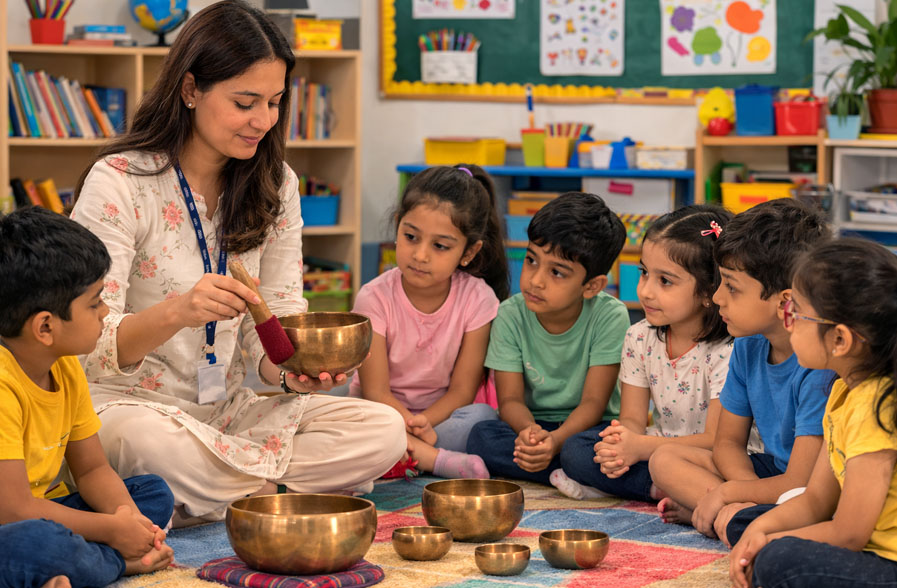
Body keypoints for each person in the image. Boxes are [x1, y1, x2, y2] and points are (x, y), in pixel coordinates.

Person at [69, 0, 405, 525]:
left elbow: (276, 326)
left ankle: (219, 497)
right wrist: (177, 312)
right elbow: (85, 339)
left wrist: (295, 372)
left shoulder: (278, 184)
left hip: (228, 412)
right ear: (189, 90)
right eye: (245, 102)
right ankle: (278, 492)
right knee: (141, 442)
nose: (263, 121)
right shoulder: (118, 180)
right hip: (127, 405)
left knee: (383, 430)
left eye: (274, 102)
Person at [0, 207, 174, 588]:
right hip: (11, 522)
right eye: (95, 303)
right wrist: (113, 533)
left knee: (153, 494)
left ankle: (82, 565)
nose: (105, 311)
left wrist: (125, 520)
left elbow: (93, 469)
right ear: (46, 326)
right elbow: (13, 510)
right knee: (38, 543)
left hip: (37, 511)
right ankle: (121, 564)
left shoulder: (63, 366)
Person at [648, 199, 832, 544]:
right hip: (769, 476)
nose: (717, 298)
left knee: (784, 519)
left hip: (809, 490)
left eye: (731, 287)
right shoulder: (748, 345)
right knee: (664, 458)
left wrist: (728, 495)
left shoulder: (818, 365)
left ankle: (720, 515)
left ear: (785, 303)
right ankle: (733, 515)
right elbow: (728, 443)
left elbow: (801, 483)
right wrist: (739, 492)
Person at [730, 238, 897, 588]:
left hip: (886, 562)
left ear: (840, 340)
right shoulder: (841, 388)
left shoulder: (874, 405)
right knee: (750, 525)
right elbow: (818, 499)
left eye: (796, 312)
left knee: (779, 559)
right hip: (865, 544)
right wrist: (761, 530)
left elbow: (849, 533)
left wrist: (770, 543)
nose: (787, 322)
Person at [552, 205, 741, 502]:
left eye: (665, 280)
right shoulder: (639, 336)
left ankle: (666, 488)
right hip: (657, 447)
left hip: (711, 457)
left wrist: (639, 447)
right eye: (644, 273)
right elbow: (632, 418)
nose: (646, 291)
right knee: (577, 449)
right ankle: (662, 489)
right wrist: (621, 442)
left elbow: (716, 441)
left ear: (708, 292)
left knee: (706, 466)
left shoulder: (728, 350)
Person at [350, 164, 506, 478]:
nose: (420, 255)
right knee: (339, 415)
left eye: (439, 246)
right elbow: (376, 391)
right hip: (379, 411)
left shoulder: (479, 299)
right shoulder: (373, 297)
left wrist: (426, 422)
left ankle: (404, 454)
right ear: (397, 227)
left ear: (469, 252)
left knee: (483, 419)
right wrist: (408, 421)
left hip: (442, 420)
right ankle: (434, 460)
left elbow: (463, 390)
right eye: (411, 237)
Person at [466, 192, 629, 486]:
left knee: (587, 449)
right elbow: (510, 400)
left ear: (592, 286)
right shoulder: (510, 314)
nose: (535, 280)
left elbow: (594, 402)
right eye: (531, 260)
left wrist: (557, 441)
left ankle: (566, 465)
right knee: (481, 436)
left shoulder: (610, 316)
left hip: (590, 427)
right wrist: (531, 434)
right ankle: (572, 473)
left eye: (557, 272)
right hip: (532, 423)